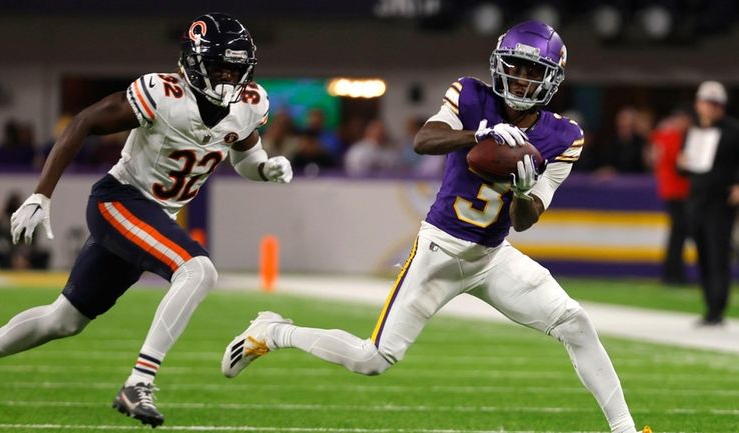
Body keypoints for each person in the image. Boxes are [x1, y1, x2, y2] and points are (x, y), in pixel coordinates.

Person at [221, 21, 649, 433]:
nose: (519, 79)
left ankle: (626, 430)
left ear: (551, 79)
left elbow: (524, 219)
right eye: (514, 67)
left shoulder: (564, 136)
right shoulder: (471, 96)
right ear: (499, 63)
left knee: (575, 323)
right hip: (439, 250)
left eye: (532, 71)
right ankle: (273, 331)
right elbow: (423, 141)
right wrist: (478, 134)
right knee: (373, 358)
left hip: (492, 257)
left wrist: (521, 191)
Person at [0, 13, 293, 427]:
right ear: (193, 62)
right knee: (198, 271)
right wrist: (40, 194)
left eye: (236, 67)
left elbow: (245, 157)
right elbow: (84, 121)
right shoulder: (163, 93)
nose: (228, 77)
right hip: (119, 202)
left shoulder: (249, 104)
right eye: (219, 66)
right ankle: (139, 381)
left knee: (63, 320)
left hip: (152, 215)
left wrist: (263, 170)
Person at [678, 80, 739, 326]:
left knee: (718, 254)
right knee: (703, 254)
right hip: (697, 200)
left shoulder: (734, 130)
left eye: (714, 104)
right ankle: (709, 306)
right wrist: (681, 163)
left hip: (720, 201)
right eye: (706, 103)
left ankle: (717, 308)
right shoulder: (693, 131)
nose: (709, 108)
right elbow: (687, 169)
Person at [648, 108, 692, 286]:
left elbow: (652, 156)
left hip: (668, 188)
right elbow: (680, 164)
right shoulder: (673, 136)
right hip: (677, 190)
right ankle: (673, 275)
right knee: (678, 234)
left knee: (677, 233)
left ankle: (673, 274)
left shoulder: (660, 135)